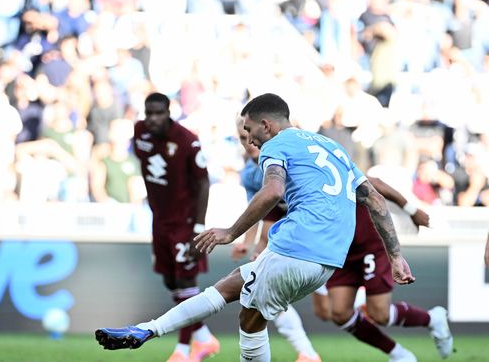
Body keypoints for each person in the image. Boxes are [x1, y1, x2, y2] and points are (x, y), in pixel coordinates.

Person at [96, 93, 414, 362]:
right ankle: (147, 329)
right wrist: (395, 256)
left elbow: (273, 190)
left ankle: (150, 331)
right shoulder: (332, 147)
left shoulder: (277, 145)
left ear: (267, 125)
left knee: (250, 320)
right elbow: (374, 200)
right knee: (230, 286)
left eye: (249, 130)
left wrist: (230, 232)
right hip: (329, 258)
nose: (248, 139)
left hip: (296, 246)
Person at [311, 176, 453, 362]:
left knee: (379, 314)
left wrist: (411, 210)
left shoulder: (325, 167)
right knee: (339, 313)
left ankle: (432, 319)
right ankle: (399, 355)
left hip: (370, 245)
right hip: (341, 250)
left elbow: (375, 184)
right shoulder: (283, 180)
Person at [129, 92, 218, 362]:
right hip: (159, 218)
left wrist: (198, 227)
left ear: (169, 112)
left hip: (184, 220)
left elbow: (203, 183)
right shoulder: (140, 132)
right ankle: (203, 338)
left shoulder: (188, 141)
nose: (153, 119)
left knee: (186, 281)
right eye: (149, 113)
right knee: (170, 280)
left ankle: (183, 349)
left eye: (159, 113)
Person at [231, 116, 322, 362]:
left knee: (333, 311)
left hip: (316, 237)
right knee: (267, 291)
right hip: (291, 240)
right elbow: (257, 210)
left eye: (250, 134)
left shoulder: (286, 158)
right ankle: (307, 353)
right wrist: (250, 244)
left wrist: (258, 244)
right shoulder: (251, 172)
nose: (249, 142)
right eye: (242, 138)